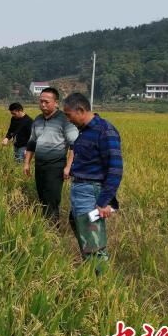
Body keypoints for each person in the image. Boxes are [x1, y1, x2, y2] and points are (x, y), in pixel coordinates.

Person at [62, 92, 123, 273]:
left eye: (68, 115)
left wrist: (104, 201)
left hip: (91, 194)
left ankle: (103, 288)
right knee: (84, 235)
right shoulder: (85, 132)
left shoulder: (105, 131)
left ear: (80, 110)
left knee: (94, 244)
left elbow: (115, 169)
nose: (68, 120)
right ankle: (90, 276)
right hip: (80, 192)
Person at [23, 87, 79, 225]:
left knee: (52, 198)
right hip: (40, 165)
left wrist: (68, 167)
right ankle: (46, 226)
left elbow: (74, 145)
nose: (43, 104)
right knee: (42, 196)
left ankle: (52, 229)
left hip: (56, 165)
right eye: (41, 101)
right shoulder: (38, 120)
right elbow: (31, 144)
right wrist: (27, 163)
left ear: (56, 103)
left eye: (46, 102)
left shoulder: (65, 120)